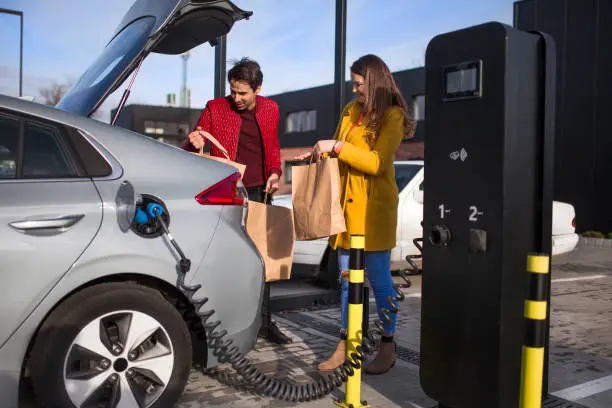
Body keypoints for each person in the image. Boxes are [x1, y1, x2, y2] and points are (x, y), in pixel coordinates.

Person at [296, 54, 416, 375]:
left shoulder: (393, 115)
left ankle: (387, 344)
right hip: (346, 210)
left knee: (378, 281)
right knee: (348, 282)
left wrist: (336, 146)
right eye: (354, 83)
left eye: (359, 84)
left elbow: (377, 162)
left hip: (373, 212)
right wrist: (319, 152)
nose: (355, 89)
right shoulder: (351, 111)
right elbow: (337, 151)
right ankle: (348, 344)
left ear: (374, 82)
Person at [181, 57, 292, 345]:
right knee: (226, 258)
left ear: (258, 89)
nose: (236, 98)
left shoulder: (271, 109)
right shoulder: (215, 108)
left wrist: (276, 173)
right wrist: (193, 141)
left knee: (263, 260)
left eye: (243, 92)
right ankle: (224, 325)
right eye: (233, 91)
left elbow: (273, 147)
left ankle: (265, 323)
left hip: (261, 192)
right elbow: (194, 142)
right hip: (229, 193)